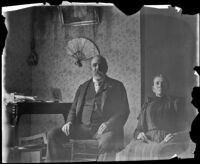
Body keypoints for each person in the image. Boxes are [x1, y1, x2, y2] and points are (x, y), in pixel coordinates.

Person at [46, 55, 130, 162]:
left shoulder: (117, 86)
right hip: (83, 128)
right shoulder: (83, 87)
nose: (97, 68)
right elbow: (73, 108)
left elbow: (123, 111)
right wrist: (69, 122)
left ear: (106, 68)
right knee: (53, 135)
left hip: (104, 131)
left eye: (101, 65)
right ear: (91, 68)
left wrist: (108, 124)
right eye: (94, 65)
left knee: (108, 141)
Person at [116, 74, 192, 160]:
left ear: (167, 87)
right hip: (148, 140)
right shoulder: (147, 106)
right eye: (157, 83)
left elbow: (186, 128)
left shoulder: (175, 103)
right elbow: (138, 130)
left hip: (167, 140)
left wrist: (174, 135)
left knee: (159, 152)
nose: (160, 86)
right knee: (125, 154)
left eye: (163, 83)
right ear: (153, 88)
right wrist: (139, 135)